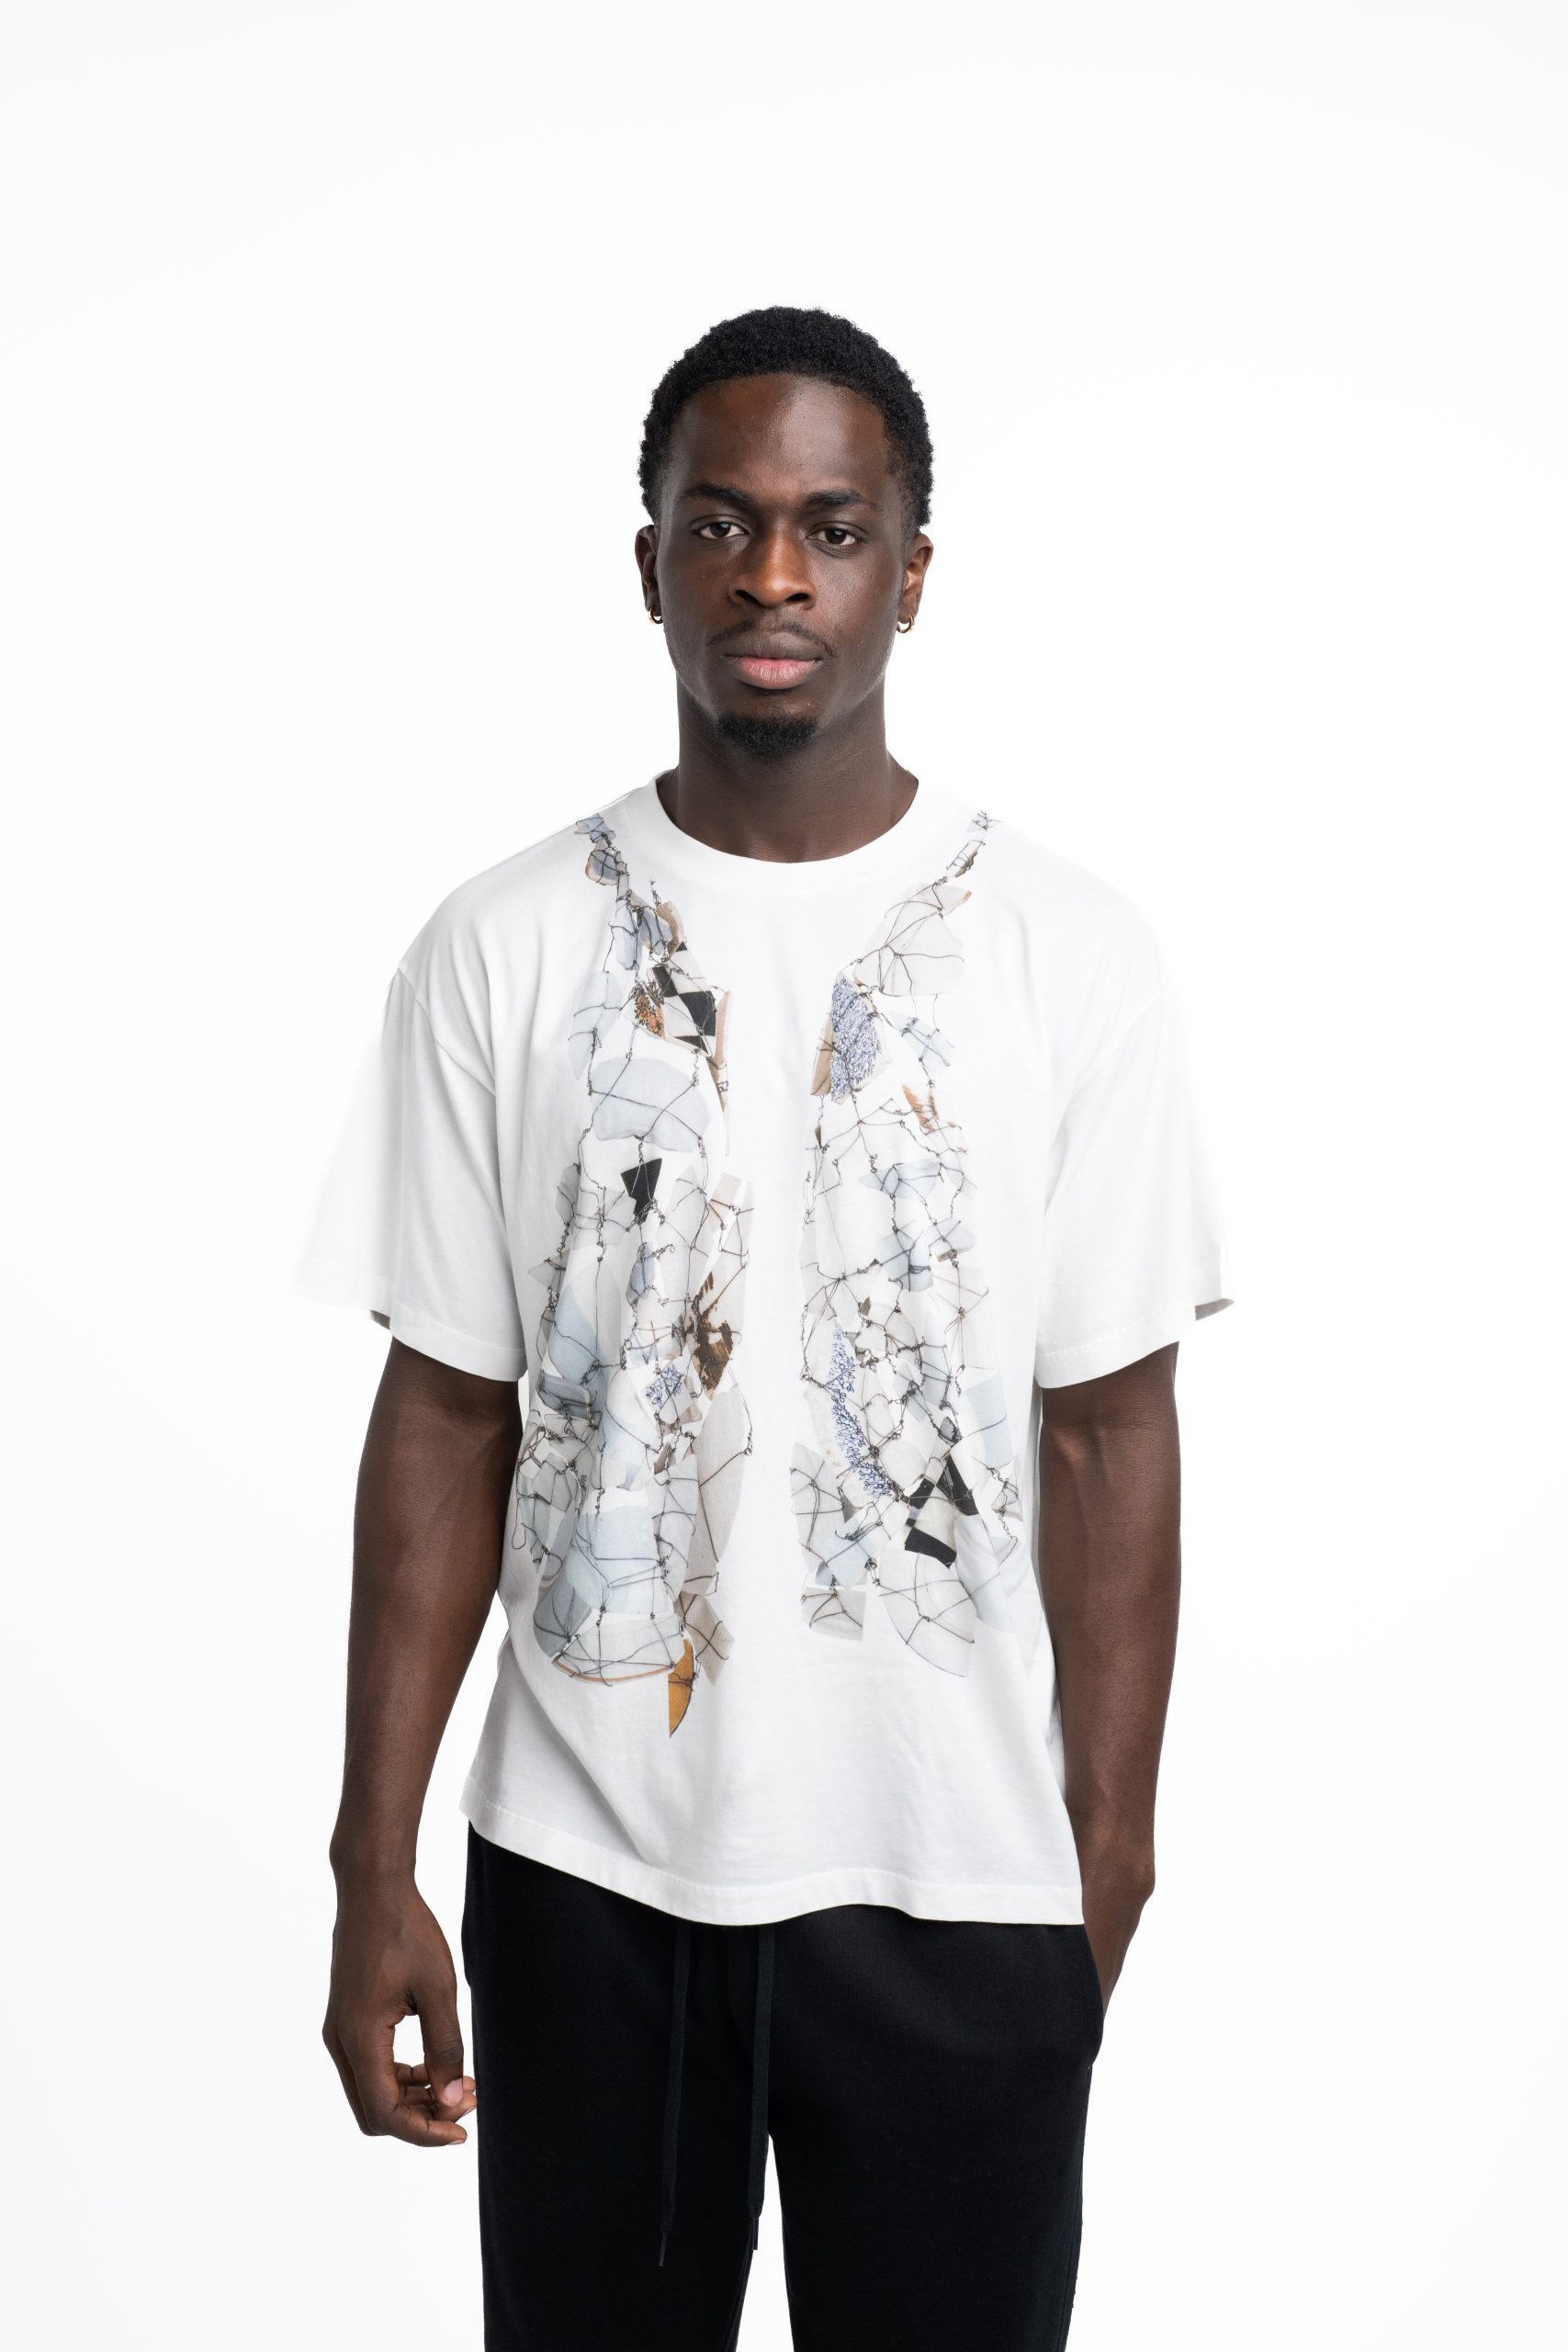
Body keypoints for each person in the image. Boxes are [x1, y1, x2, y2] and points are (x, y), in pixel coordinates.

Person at [304, 304, 1232, 2351]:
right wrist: (373, 1861)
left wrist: (1108, 1847)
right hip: (587, 1878)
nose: (775, 576)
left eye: (832, 525)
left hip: (961, 1884)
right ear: (648, 562)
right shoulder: (502, 943)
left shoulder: (1068, 954)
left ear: (913, 568)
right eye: (720, 524)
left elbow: (1110, 1426)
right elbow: (444, 1410)